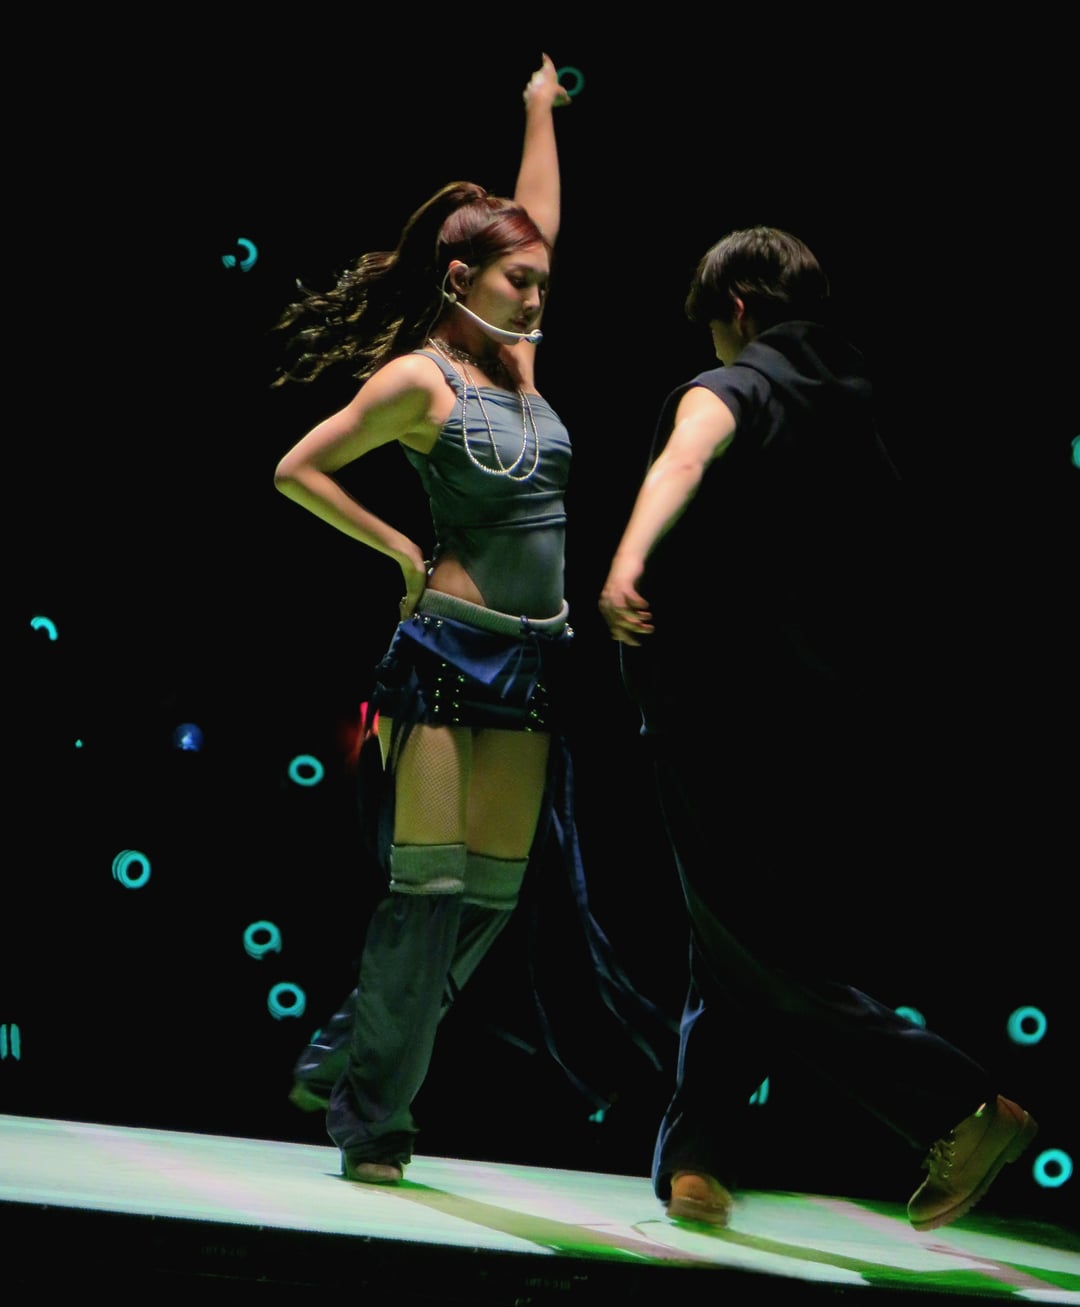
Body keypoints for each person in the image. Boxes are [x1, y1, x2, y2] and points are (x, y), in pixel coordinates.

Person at [272, 55, 671, 1184]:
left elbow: (538, 218)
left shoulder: (523, 363)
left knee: (492, 895)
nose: (538, 297)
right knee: (428, 890)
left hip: (536, 660)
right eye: (518, 282)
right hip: (445, 653)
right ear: (462, 279)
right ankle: (374, 1122)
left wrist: (539, 109)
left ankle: (349, 1046)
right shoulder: (421, 381)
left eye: (541, 282)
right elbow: (297, 468)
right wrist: (400, 550)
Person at [598, 226, 1039, 1231]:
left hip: (717, 710)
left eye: (715, 324)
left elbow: (686, 454)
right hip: (828, 719)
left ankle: (958, 1104)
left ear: (738, 308)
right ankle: (697, 1156)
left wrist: (627, 559)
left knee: (760, 950)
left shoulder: (735, 385)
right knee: (732, 931)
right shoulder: (859, 398)